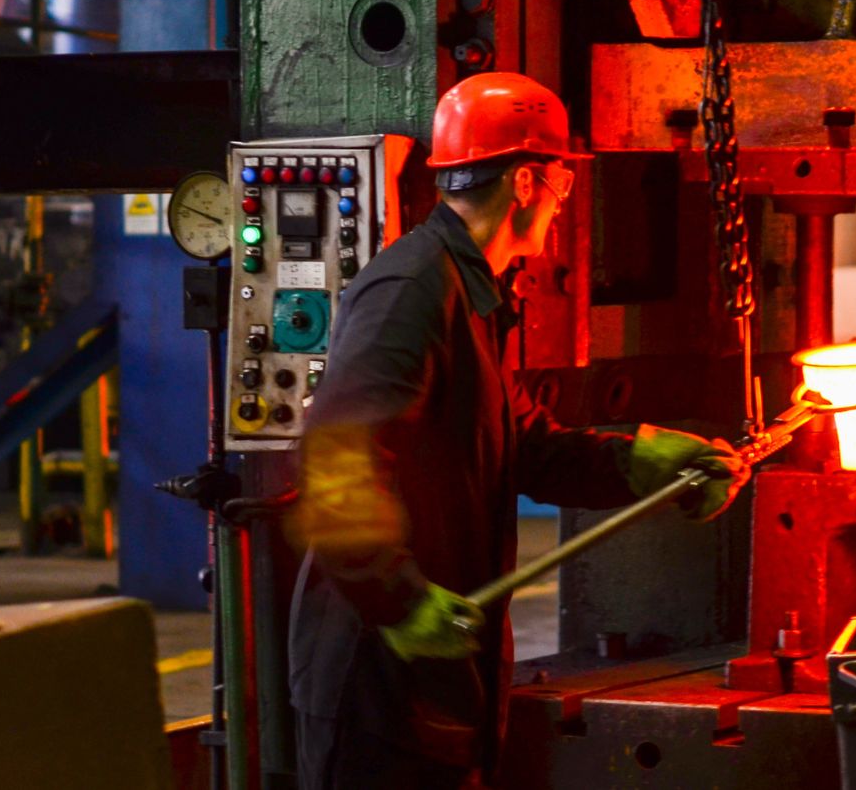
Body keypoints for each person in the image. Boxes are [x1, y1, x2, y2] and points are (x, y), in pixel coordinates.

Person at [285, 72, 749, 790]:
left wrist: (641, 462)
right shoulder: (412, 290)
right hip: (376, 681)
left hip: (428, 677)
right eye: (563, 187)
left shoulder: (469, 292)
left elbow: (521, 446)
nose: (565, 208)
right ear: (527, 182)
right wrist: (398, 599)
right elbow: (335, 459)